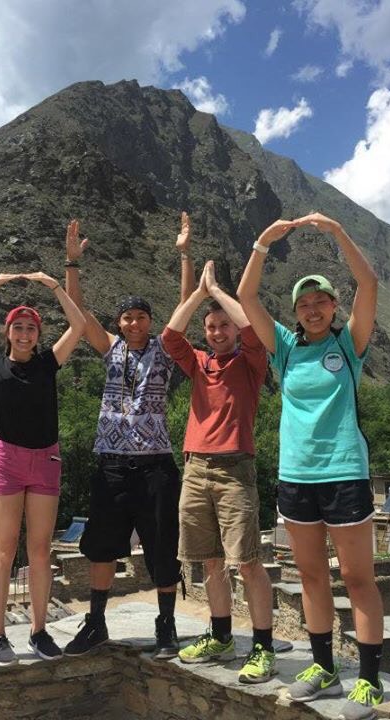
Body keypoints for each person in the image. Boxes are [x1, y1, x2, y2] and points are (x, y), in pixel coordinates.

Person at [237, 213, 383, 720]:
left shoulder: (349, 345)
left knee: (359, 580)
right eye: (304, 303)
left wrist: (338, 233)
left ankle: (367, 680)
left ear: (333, 306)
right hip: (296, 477)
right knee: (311, 575)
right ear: (295, 313)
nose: (313, 309)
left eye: (321, 300)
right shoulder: (285, 348)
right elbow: (248, 298)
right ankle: (323, 667)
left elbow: (370, 282)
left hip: (344, 474)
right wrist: (261, 243)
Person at [63, 214, 194, 659]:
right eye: (127, 317)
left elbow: (186, 304)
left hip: (156, 464)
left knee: (161, 548)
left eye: (141, 317)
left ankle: (166, 623)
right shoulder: (110, 348)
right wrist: (72, 263)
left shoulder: (165, 349)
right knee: (102, 544)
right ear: (118, 323)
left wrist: (184, 255)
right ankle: (96, 622)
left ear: (150, 321)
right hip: (112, 464)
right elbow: (79, 313)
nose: (134, 323)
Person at [0, 272, 86, 666]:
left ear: (38, 335)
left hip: (46, 459)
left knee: (40, 551)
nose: (24, 334)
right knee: (4, 550)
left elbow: (79, 324)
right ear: (7, 333)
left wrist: (55, 286)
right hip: (7, 459)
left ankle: (39, 632)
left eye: (31, 328)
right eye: (18, 328)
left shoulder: (48, 363)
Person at [161, 260, 276, 684]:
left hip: (234, 470)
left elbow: (252, 331)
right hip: (194, 468)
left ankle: (262, 647)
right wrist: (199, 295)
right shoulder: (199, 364)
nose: (217, 332)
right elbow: (170, 336)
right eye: (211, 328)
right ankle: (222, 636)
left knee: (246, 561)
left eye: (223, 326)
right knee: (209, 562)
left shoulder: (251, 363)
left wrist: (219, 292)